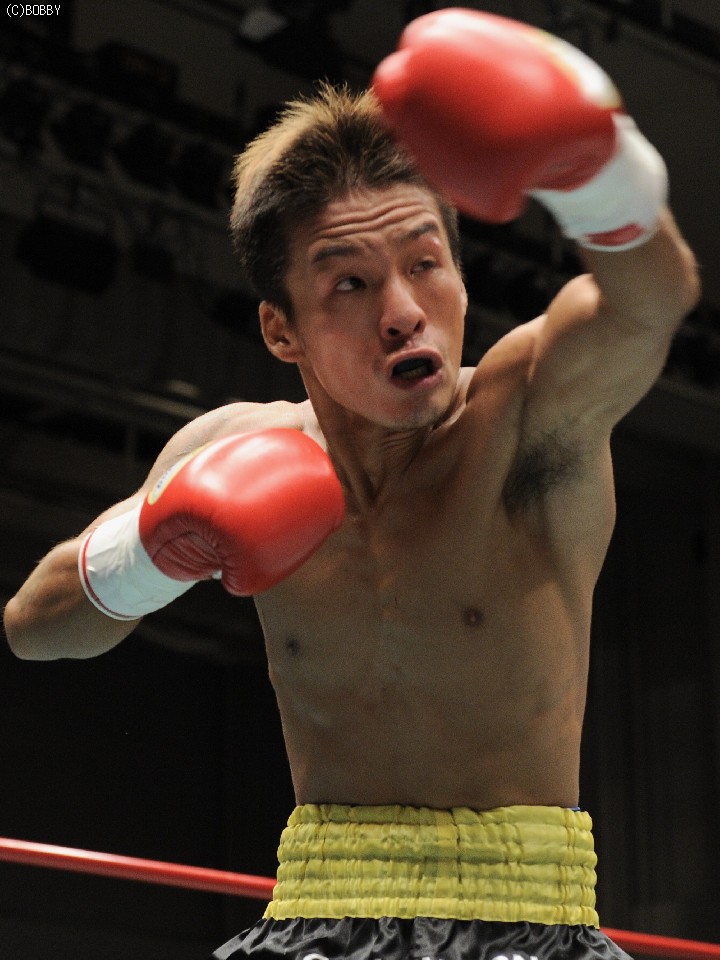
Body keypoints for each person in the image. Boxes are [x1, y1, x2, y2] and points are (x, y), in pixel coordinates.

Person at [3, 8, 700, 960]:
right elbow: (34, 629)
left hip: (526, 926)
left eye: (425, 263)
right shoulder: (233, 446)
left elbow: (648, 304)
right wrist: (151, 554)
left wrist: (597, 166)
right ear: (280, 330)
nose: (405, 311)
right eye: (350, 284)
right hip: (313, 920)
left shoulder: (527, 417)